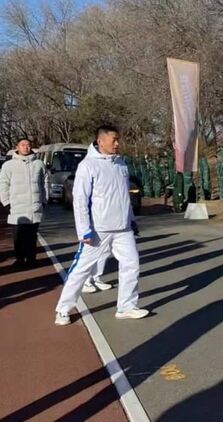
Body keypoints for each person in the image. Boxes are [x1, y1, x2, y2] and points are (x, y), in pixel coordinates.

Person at [54, 125, 148, 326]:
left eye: (118, 139)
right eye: (114, 140)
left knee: (131, 265)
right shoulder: (88, 166)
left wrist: (131, 220)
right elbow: (80, 200)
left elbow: (124, 197)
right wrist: (84, 230)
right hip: (98, 230)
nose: (117, 143)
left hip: (123, 229)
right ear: (100, 141)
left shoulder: (121, 164)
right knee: (82, 269)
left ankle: (126, 306)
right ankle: (63, 309)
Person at [0, 138, 47, 267]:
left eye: (28, 145)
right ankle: (20, 259)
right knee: (18, 236)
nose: (26, 147)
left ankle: (32, 259)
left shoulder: (39, 164)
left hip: (34, 206)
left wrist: (44, 200)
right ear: (17, 147)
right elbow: (3, 185)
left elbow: (45, 183)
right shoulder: (8, 165)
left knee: (32, 235)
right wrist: (6, 203)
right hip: (16, 207)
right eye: (23, 145)